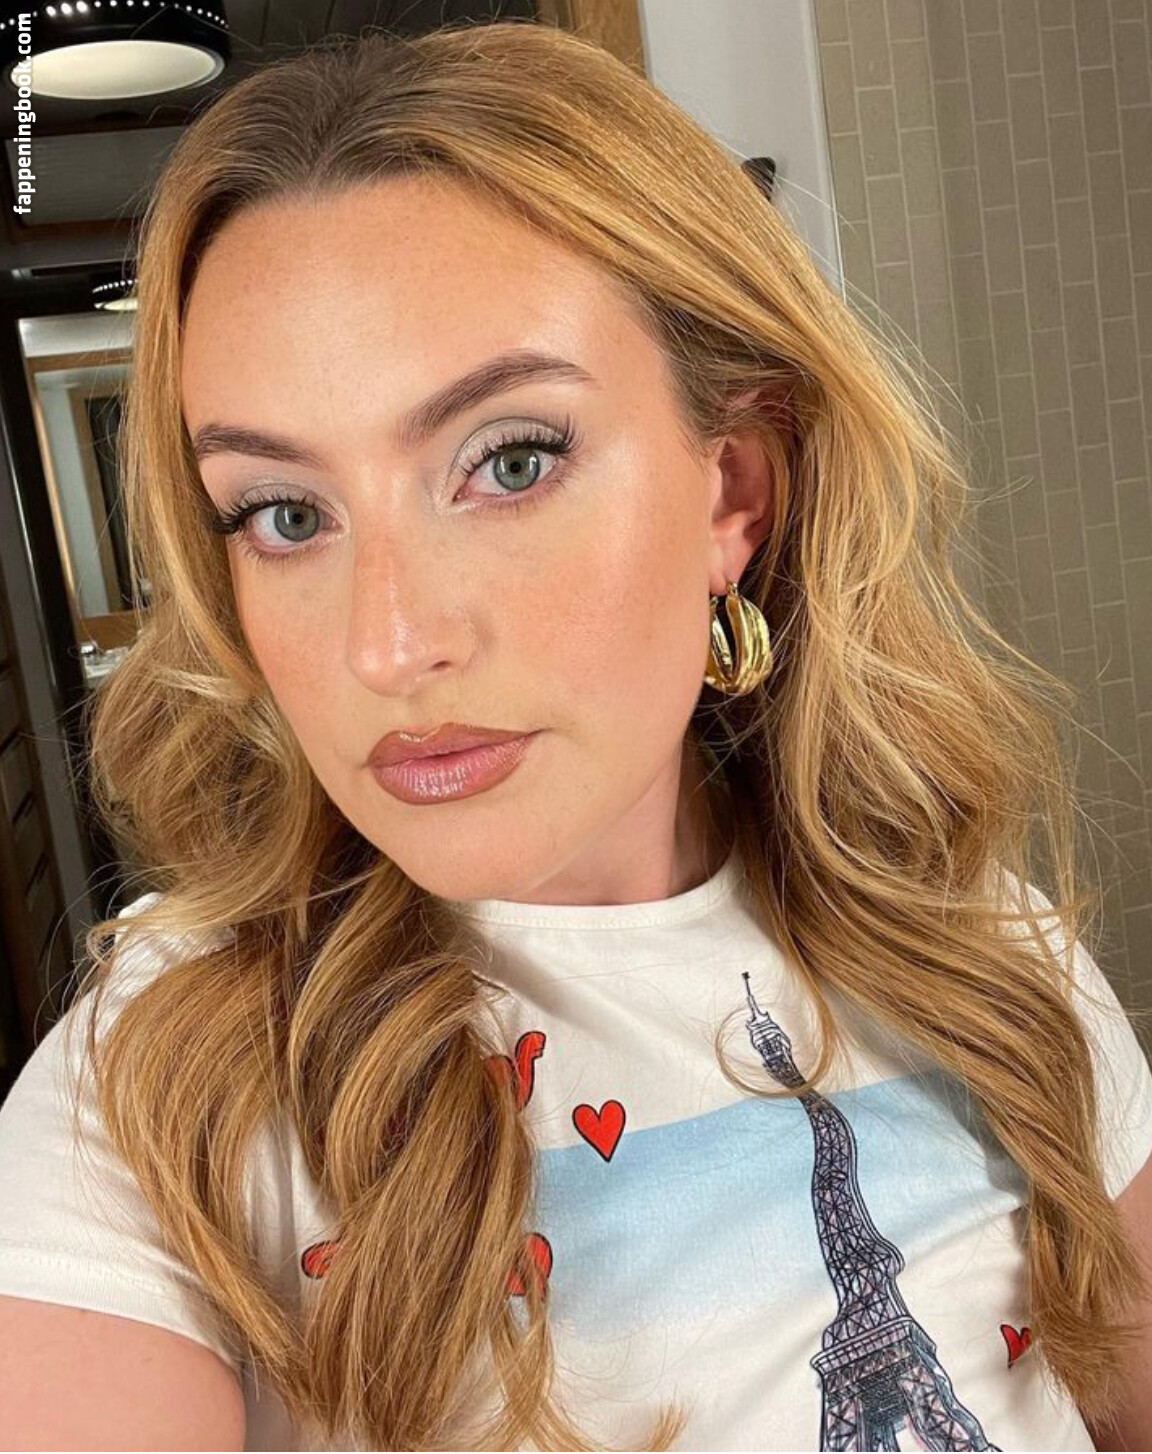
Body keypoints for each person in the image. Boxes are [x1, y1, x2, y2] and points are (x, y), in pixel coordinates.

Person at [0, 19, 1149, 1452]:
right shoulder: (157, 1091)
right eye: (286, 514)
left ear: (734, 491)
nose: (387, 645)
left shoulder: (985, 952)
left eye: (510, 461)